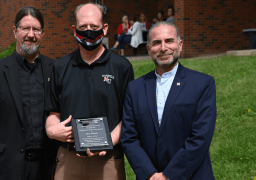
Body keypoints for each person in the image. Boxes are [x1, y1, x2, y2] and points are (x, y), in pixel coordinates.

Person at [45, 2, 134, 180]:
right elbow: (53, 112)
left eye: (94, 26)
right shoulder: (60, 67)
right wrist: (51, 130)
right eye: (83, 27)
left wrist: (108, 141)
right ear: (74, 29)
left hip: (107, 160)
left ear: (105, 28)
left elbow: (129, 117)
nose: (89, 31)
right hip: (69, 159)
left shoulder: (121, 67)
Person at [121, 21, 216, 180]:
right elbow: (129, 137)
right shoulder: (135, 88)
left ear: (180, 45)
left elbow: (201, 137)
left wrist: (168, 175)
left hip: (192, 175)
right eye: (156, 43)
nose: (163, 48)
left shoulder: (202, 84)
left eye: (169, 41)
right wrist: (150, 174)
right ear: (149, 49)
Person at [0, 7, 58, 180]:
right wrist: (1, 145)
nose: (30, 34)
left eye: (36, 29)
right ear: (15, 31)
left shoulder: (55, 69)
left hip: (47, 165)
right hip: (8, 165)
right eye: (25, 28)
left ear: (42, 33)